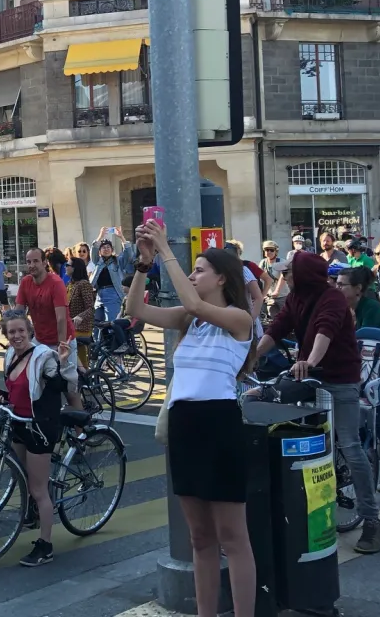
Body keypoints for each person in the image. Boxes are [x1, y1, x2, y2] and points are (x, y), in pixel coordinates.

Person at [123, 221, 257, 617]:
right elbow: (136, 310)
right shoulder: (189, 318)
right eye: (192, 269)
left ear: (221, 278)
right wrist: (144, 265)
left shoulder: (239, 319)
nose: (194, 275)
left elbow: (197, 304)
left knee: (233, 538)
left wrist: (166, 250)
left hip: (218, 423)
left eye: (200, 269)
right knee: (199, 538)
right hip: (185, 423)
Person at [256, 251, 380, 553]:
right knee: (262, 402)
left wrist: (309, 362)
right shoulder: (294, 297)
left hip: (339, 378)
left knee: (350, 446)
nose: (283, 275)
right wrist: (249, 359)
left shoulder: (333, 298)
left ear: (303, 275)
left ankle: (372, 521)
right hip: (307, 375)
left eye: (288, 271)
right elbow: (276, 330)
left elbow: (325, 332)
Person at [0, 309, 69, 567]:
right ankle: (35, 515)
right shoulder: (9, 355)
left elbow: (60, 386)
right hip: (19, 424)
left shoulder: (43, 356)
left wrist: (62, 362)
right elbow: (15, 391)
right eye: (11, 332)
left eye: (21, 331)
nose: (16, 336)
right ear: (5, 334)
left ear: (30, 332)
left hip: (40, 427)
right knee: (24, 480)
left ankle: (45, 546)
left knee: (39, 490)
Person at [331, 274, 380, 495]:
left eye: (342, 284)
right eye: (335, 284)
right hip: (365, 370)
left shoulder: (370, 307)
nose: (337, 288)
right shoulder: (341, 306)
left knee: (375, 418)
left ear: (358, 288)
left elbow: (364, 340)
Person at [16, 248, 81, 410]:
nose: (31, 265)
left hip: (63, 339)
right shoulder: (25, 282)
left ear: (45, 263)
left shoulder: (56, 283)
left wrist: (61, 346)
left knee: (69, 390)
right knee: (36, 384)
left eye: (36, 261)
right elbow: (18, 314)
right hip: (40, 340)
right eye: (28, 261)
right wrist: (17, 339)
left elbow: (61, 318)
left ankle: (83, 432)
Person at [90, 227, 137, 323]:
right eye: (103, 247)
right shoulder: (98, 261)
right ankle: (99, 339)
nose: (106, 249)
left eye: (108, 247)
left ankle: (113, 338)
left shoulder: (118, 261)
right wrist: (101, 235)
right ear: (100, 251)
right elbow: (93, 249)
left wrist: (121, 237)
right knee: (96, 324)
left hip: (113, 294)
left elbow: (129, 255)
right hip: (99, 295)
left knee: (111, 323)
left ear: (112, 249)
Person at [67, 257, 96, 366]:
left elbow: (91, 308)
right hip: (70, 327)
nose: (66, 267)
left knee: (80, 360)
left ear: (75, 268)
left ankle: (85, 379)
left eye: (68, 265)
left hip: (81, 328)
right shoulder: (70, 285)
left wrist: (80, 317)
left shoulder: (83, 284)